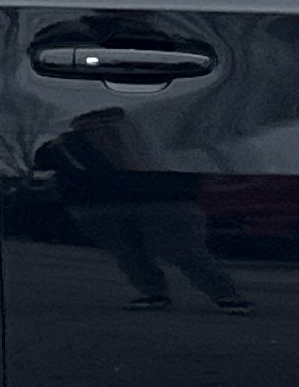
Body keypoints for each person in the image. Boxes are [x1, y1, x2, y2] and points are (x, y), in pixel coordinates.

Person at [32, 105, 249, 312]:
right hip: (102, 205)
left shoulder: (150, 137)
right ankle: (155, 293)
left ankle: (225, 295)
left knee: (183, 251)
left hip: (158, 201)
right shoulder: (65, 144)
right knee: (129, 253)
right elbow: (42, 161)